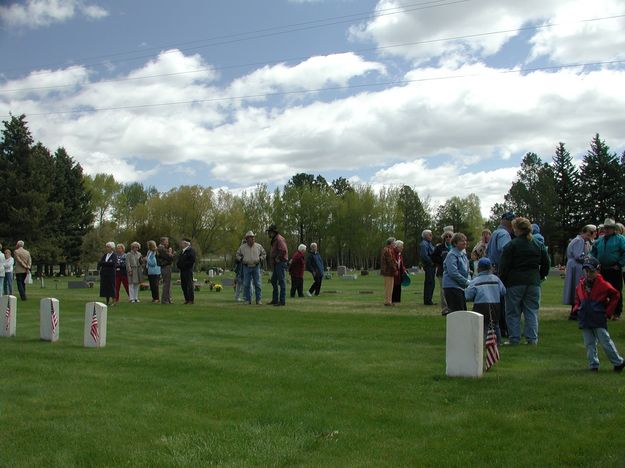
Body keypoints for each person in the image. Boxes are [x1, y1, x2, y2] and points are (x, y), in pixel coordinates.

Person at [498, 217, 550, 345]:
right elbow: (546, 263)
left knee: (513, 312)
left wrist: (503, 280)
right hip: (533, 281)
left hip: (514, 281)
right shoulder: (538, 244)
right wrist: (540, 276)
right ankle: (532, 339)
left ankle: (514, 338)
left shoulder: (511, 245)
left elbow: (503, 266)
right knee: (531, 310)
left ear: (517, 229)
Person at [572, 257, 625, 372]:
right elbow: (577, 298)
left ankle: (618, 362)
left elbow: (615, 295)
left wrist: (608, 312)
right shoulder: (581, 284)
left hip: (598, 317)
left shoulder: (603, 284)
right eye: (586, 271)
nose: (588, 274)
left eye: (591, 271)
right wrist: (577, 308)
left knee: (605, 340)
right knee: (589, 343)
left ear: (597, 271)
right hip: (585, 317)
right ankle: (593, 365)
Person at [465, 257, 506, 344]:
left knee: (482, 324)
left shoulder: (475, 281)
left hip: (480, 305)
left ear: (478, 268)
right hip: (495, 304)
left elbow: (468, 295)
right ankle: (498, 341)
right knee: (496, 324)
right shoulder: (496, 279)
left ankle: (482, 342)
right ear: (490, 268)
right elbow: (503, 291)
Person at [590, 218, 625, 320]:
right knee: (602, 291)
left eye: (609, 228)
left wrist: (619, 264)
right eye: (605, 228)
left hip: (615, 269)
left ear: (614, 229)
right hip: (602, 269)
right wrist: (591, 260)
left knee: (616, 291)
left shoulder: (620, 239)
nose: (606, 230)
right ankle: (603, 311)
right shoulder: (599, 240)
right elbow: (593, 252)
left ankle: (617, 313)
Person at [563, 225, 597, 319]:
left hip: (574, 266)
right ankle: (576, 312)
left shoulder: (580, 240)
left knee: (576, 288)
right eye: (590, 233)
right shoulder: (579, 241)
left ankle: (576, 311)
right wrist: (589, 258)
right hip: (576, 267)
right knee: (578, 288)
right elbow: (578, 256)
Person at [236, 231, 266, 305]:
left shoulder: (259, 246)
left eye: (253, 237)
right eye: (251, 237)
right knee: (246, 284)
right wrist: (241, 259)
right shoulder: (242, 247)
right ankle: (247, 300)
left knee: (257, 284)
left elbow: (264, 254)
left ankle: (258, 300)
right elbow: (237, 255)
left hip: (256, 266)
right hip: (246, 267)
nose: (252, 238)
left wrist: (260, 259)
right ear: (247, 238)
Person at [442, 233, 470, 313]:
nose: (465, 242)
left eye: (465, 240)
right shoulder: (452, 255)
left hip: (460, 287)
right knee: (458, 313)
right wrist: (466, 282)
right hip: (452, 287)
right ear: (455, 243)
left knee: (463, 311)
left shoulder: (463, 254)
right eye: (462, 241)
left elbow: (466, 270)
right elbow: (453, 273)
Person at [431, 229, 453, 314]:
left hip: (453, 272)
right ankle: (445, 309)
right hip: (442, 272)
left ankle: (452, 307)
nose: (448, 238)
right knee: (443, 290)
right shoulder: (439, 247)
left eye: (450, 236)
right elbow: (433, 257)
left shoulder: (455, 247)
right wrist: (442, 260)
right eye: (446, 237)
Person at [266, 224, 288, 306]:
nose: (269, 234)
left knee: (281, 281)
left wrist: (278, 258)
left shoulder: (279, 239)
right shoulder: (275, 239)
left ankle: (282, 301)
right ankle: (275, 300)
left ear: (273, 232)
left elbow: (283, 251)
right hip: (276, 264)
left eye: (269, 232)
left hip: (280, 263)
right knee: (274, 281)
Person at [177, 238, 196, 305]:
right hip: (182, 271)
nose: (181, 244)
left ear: (186, 244)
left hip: (188, 270)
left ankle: (191, 299)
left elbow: (192, 261)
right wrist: (179, 265)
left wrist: (184, 265)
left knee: (189, 285)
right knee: (184, 285)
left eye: (182, 243)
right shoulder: (182, 251)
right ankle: (186, 299)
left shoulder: (191, 250)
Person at [419, 230, 436, 305]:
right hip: (429, 265)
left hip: (432, 265)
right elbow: (424, 255)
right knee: (429, 282)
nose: (431, 236)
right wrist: (431, 262)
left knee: (431, 282)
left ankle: (429, 299)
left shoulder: (429, 243)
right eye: (430, 235)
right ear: (425, 236)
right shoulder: (424, 244)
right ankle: (427, 300)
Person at [98, 242, 117, 306]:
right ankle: (107, 301)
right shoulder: (105, 255)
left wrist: (105, 263)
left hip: (111, 273)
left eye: (108, 247)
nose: (107, 248)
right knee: (105, 287)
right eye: (106, 247)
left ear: (112, 248)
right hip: (104, 273)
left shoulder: (114, 255)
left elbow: (112, 263)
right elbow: (100, 262)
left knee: (111, 287)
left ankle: (114, 301)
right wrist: (106, 263)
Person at [380, 237, 397, 307]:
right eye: (394, 243)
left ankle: (388, 300)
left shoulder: (386, 249)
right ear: (391, 243)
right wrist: (395, 269)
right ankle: (388, 301)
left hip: (387, 271)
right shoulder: (388, 250)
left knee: (388, 287)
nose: (395, 244)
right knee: (389, 287)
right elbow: (390, 261)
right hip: (388, 271)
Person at [157, 237, 174, 304]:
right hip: (165, 267)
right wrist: (170, 253)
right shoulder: (161, 248)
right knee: (166, 284)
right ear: (163, 242)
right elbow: (169, 258)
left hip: (166, 267)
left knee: (168, 284)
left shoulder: (163, 249)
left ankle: (169, 299)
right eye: (166, 242)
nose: (167, 243)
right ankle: (164, 300)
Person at [392, 240, 408, 304]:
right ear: (397, 247)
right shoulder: (393, 253)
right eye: (401, 247)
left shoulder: (399, 254)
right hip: (394, 273)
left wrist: (404, 270)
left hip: (399, 273)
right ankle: (393, 300)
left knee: (398, 286)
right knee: (394, 286)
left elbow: (401, 263)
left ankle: (397, 300)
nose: (402, 248)